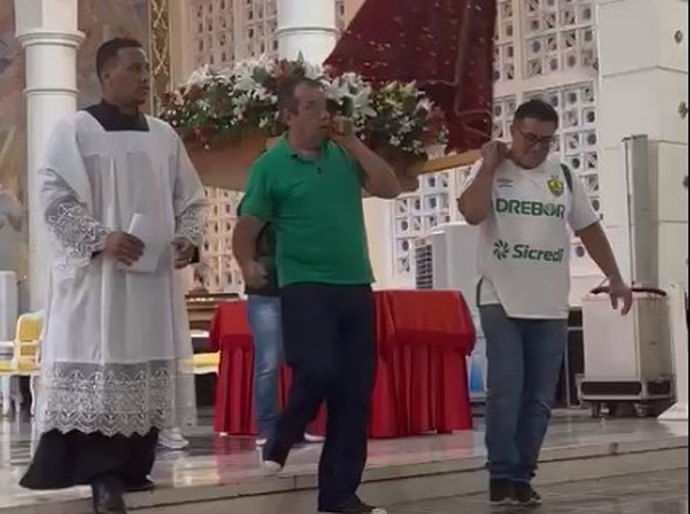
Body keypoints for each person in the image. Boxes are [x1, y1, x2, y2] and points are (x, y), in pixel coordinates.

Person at [19, 38, 205, 514]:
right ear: (105, 76)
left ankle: (131, 467)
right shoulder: (75, 131)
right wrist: (102, 238)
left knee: (142, 368)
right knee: (99, 367)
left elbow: (191, 199)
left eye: (147, 68)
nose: (146, 76)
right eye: (135, 68)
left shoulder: (164, 135)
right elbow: (54, 198)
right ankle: (101, 477)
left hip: (152, 279)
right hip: (98, 279)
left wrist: (188, 238)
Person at [233, 76, 400, 514]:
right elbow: (246, 227)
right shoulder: (270, 166)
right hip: (304, 285)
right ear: (289, 115)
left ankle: (339, 496)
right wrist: (247, 264)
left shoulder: (344, 156)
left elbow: (390, 186)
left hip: (355, 283)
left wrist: (355, 143)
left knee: (354, 392)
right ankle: (284, 434)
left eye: (325, 106)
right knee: (319, 369)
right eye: (311, 106)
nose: (323, 114)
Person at [458, 99, 633, 507]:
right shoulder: (492, 168)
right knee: (507, 389)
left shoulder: (565, 177)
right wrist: (487, 165)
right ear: (513, 131)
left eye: (546, 141)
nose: (536, 148)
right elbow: (472, 212)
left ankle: (522, 475)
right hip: (500, 297)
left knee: (538, 397)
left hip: (549, 302)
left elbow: (588, 228)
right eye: (529, 138)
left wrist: (616, 277)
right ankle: (500, 474)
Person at [237, 203, 325, 447]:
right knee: (268, 362)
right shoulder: (255, 201)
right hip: (266, 289)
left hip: (300, 285)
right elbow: (244, 233)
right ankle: (267, 427)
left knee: (306, 359)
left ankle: (300, 423)